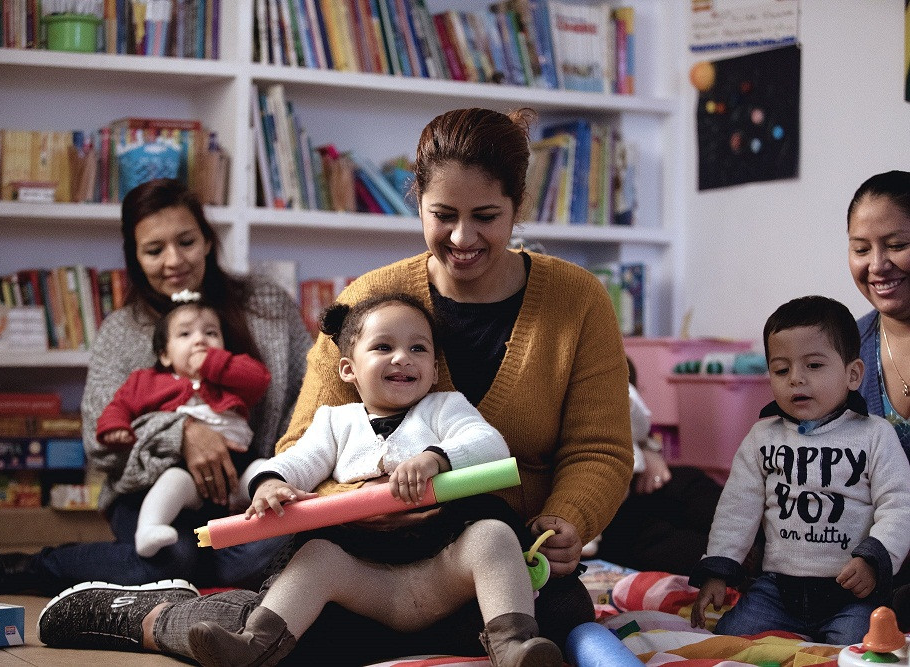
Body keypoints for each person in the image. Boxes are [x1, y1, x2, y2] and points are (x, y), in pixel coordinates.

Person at [37, 108, 634, 664]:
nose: (461, 239)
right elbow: (305, 442)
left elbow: (599, 449)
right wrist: (352, 498)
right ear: (418, 202)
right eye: (442, 216)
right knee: (286, 614)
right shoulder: (365, 304)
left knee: (555, 616)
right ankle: (146, 615)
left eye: (486, 217)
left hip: (496, 553)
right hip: (363, 551)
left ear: (518, 204)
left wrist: (567, 519)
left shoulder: (577, 300)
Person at [0, 178, 311, 597]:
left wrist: (277, 474)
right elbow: (101, 441)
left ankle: (186, 570)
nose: (173, 261)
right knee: (173, 558)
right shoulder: (120, 332)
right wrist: (180, 434)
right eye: (153, 250)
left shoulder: (267, 306)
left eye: (186, 241)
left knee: (275, 545)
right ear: (134, 257)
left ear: (207, 240)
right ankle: (15, 569)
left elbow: (306, 395)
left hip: (251, 488)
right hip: (149, 493)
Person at [188, 293, 561, 667]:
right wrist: (271, 483)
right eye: (384, 347)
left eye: (418, 348)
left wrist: (435, 458)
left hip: (442, 570)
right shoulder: (335, 422)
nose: (402, 357)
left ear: (433, 370)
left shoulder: (445, 407)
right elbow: (298, 460)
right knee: (317, 555)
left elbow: (490, 445)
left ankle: (514, 646)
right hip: (367, 577)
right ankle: (254, 645)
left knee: (493, 535)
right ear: (348, 369)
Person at [689, 295, 910, 645]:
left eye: (814, 366)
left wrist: (874, 558)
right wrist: (718, 572)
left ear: (853, 374)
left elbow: (900, 504)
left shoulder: (874, 434)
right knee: (729, 637)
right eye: (781, 369)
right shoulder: (763, 436)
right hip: (777, 588)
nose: (796, 379)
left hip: (850, 589)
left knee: (857, 645)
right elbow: (736, 508)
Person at [97, 291, 271, 558]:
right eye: (185, 334)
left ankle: (281, 506)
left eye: (211, 333)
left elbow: (259, 379)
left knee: (266, 471)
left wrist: (214, 363)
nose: (200, 340)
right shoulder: (147, 381)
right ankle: (150, 528)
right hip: (186, 469)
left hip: (241, 461)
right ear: (165, 354)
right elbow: (120, 405)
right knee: (172, 482)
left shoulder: (228, 377)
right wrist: (114, 426)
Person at [846, 169, 910, 626]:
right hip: (866, 560)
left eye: (898, 245)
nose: (877, 265)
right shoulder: (844, 350)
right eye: (861, 249)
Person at [594, 357, 723, 575]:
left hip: (640, 482)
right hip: (606, 516)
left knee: (689, 484)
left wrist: (648, 449)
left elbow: (636, 427)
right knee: (644, 535)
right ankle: (735, 562)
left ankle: (759, 545)